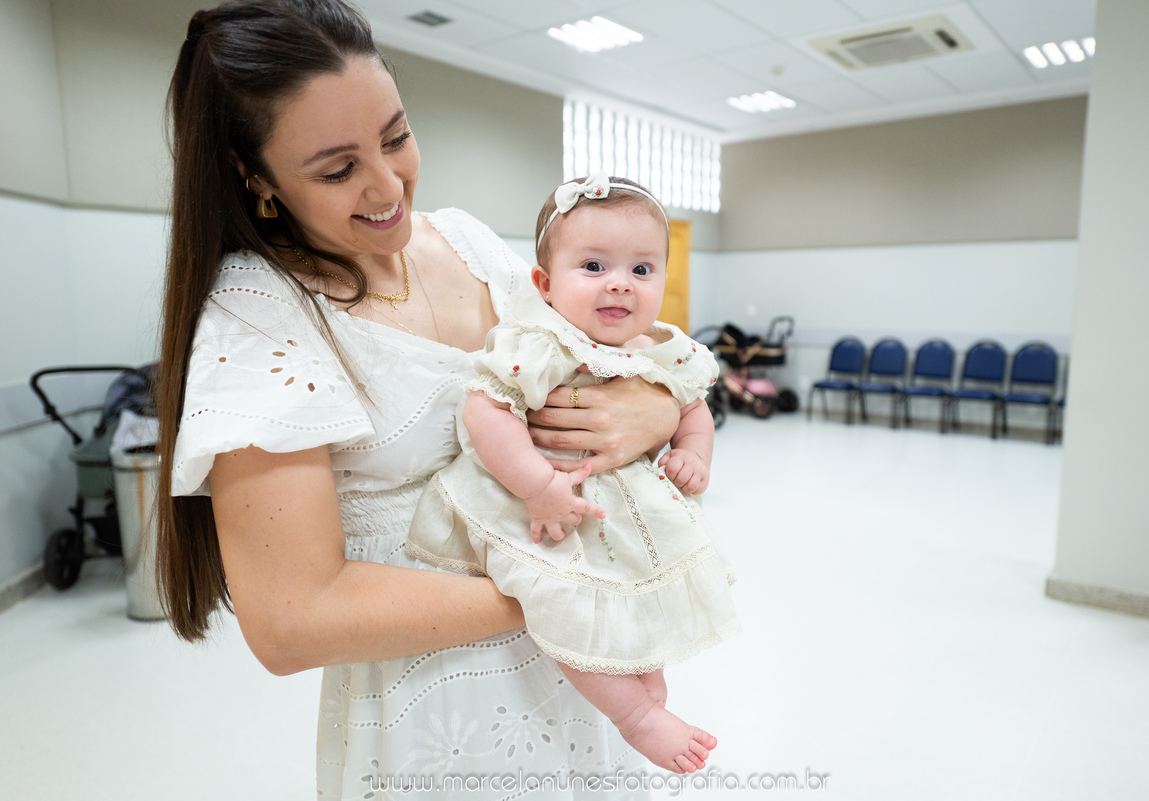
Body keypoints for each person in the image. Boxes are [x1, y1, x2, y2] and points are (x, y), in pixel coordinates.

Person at [154, 2, 683, 798]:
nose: (386, 184)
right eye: (337, 170)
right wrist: (555, 593)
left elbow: (592, 357)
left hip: (578, 667)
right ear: (252, 173)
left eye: (396, 137)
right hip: (437, 699)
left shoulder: (467, 241)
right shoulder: (260, 315)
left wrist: (659, 409)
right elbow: (293, 617)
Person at [405, 173, 738, 774]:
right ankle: (634, 716)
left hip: (624, 518)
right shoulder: (542, 342)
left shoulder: (663, 349)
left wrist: (693, 451)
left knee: (641, 589)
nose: (620, 283)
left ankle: (647, 680)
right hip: (545, 503)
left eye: (642, 270)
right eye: (593, 265)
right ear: (545, 284)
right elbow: (487, 410)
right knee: (563, 599)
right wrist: (538, 485)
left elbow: (694, 408)